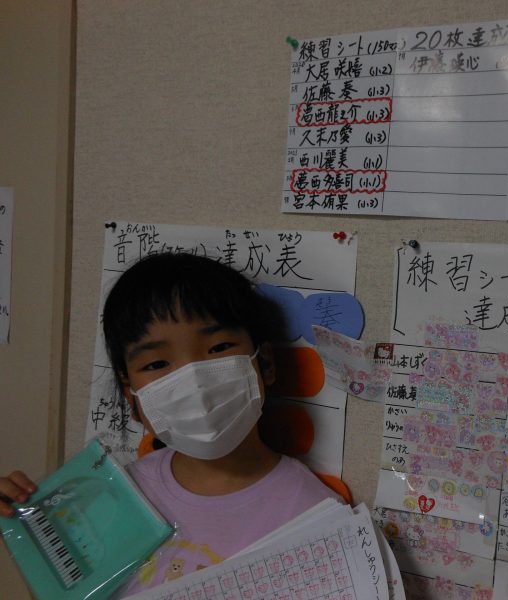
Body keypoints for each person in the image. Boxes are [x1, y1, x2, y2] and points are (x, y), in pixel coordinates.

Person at [0, 253, 341, 594]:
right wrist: (21, 520)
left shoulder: (315, 515)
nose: (194, 380)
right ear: (131, 396)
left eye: (218, 347)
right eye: (157, 363)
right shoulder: (114, 497)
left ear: (264, 363)